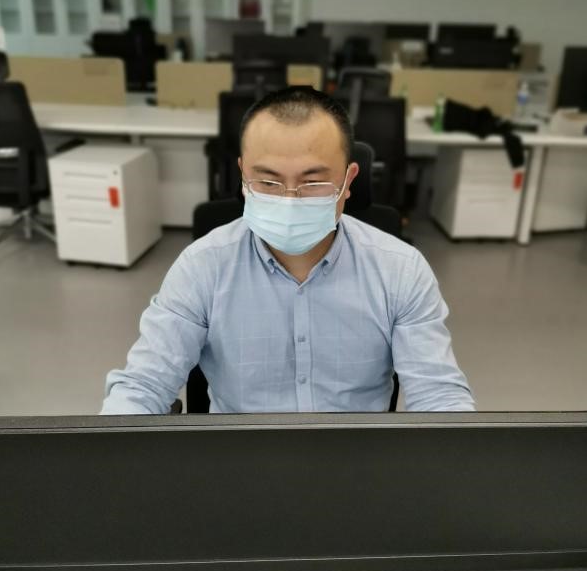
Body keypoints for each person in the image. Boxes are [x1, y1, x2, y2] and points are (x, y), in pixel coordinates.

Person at [102, 87, 474, 414]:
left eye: (312, 182)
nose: (290, 200)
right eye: (268, 181)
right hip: (240, 457)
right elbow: (144, 384)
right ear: (243, 175)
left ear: (349, 180)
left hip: (356, 459)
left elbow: (438, 395)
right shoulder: (202, 266)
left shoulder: (401, 269)